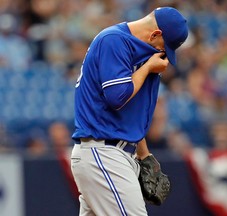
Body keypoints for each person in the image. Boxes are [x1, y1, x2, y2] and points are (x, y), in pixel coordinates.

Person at [70, 7, 188, 216]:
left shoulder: (142, 53)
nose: (164, 55)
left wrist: (144, 154)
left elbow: (128, 115)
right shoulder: (114, 41)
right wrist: (147, 68)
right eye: (165, 46)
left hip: (116, 153)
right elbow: (117, 97)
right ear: (155, 34)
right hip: (103, 154)